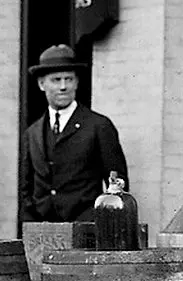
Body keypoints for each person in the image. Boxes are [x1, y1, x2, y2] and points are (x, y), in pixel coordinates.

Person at [20, 45, 128, 223]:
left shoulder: (98, 126)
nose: (63, 87)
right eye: (56, 80)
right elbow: (26, 188)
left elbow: (118, 187)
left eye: (68, 79)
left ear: (77, 82)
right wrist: (32, 222)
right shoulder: (32, 132)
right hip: (44, 229)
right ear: (41, 84)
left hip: (85, 227)